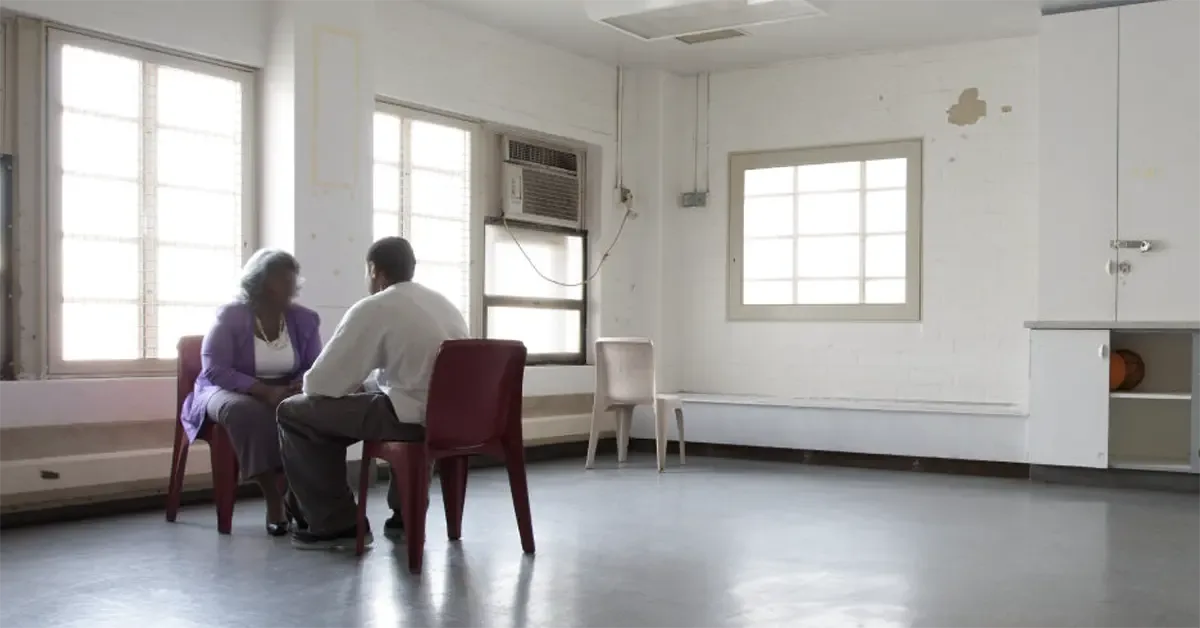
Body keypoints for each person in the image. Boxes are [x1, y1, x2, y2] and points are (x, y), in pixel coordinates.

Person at [278, 237, 468, 550]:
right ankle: (405, 514)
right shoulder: (444, 304)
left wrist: (332, 385)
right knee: (388, 392)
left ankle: (336, 524)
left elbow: (321, 385)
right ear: (411, 269)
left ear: (374, 271)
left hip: (411, 417)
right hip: (454, 417)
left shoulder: (375, 307)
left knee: (295, 412)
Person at [180, 249, 322, 536]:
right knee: (248, 411)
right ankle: (273, 499)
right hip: (225, 389)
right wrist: (260, 390)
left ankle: (300, 494)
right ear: (260, 281)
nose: (290, 284)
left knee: (315, 410)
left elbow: (314, 365)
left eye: (292, 277)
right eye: (281, 278)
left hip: (283, 388)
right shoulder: (232, 315)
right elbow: (214, 368)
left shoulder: (305, 319)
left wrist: (295, 385)